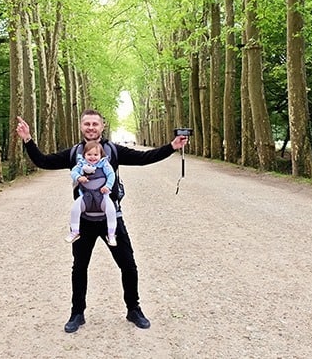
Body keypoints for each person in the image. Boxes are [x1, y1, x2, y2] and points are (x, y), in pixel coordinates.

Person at [15, 109, 189, 333]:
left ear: (102, 127)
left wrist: (171, 147)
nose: (90, 127)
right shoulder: (74, 154)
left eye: (94, 124)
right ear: (81, 127)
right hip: (84, 221)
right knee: (79, 268)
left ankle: (133, 309)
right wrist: (28, 139)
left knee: (128, 265)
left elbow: (144, 158)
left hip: (111, 219)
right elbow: (43, 162)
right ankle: (77, 313)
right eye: (86, 124)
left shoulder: (113, 151)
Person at [67, 140, 117, 246]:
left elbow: (111, 175)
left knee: (111, 210)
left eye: (95, 154)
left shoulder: (105, 164)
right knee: (75, 208)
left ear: (101, 155)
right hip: (86, 196)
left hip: (102, 197)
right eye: (89, 154)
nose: (92, 157)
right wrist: (79, 177)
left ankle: (111, 234)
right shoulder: (81, 164)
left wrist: (107, 186)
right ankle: (75, 231)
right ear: (84, 155)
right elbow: (73, 172)